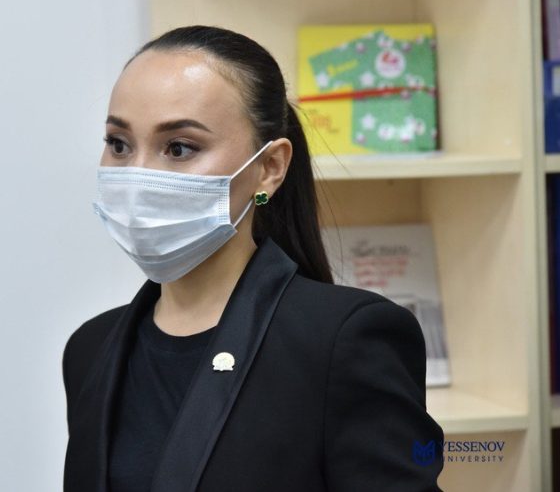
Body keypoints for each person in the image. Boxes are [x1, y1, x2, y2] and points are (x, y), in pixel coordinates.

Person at [62, 25, 444, 492]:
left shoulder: (344, 340)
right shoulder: (89, 349)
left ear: (269, 168)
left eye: (179, 148)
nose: (138, 176)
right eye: (119, 144)